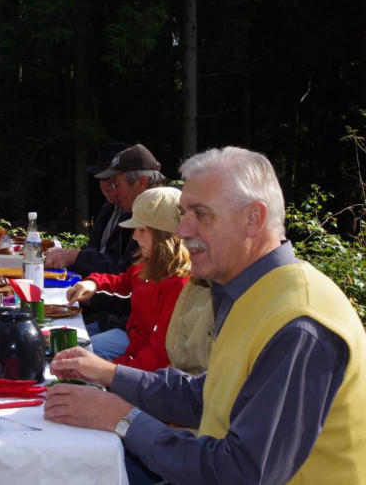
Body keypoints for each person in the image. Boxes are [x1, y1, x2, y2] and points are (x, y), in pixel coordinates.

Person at [45, 146, 366, 484]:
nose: (182, 230)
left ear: (253, 219)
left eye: (200, 214)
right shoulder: (250, 290)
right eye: (184, 214)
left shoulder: (298, 323)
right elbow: (208, 395)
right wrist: (110, 374)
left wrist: (122, 419)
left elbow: (241, 473)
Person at [46, 143, 166, 334]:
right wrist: (92, 282)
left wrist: (81, 263)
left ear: (142, 182)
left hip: (123, 326)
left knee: (61, 346)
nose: (108, 188)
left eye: (115, 182)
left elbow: (129, 283)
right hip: (117, 319)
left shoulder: (160, 216)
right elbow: (128, 278)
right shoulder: (116, 209)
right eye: (104, 180)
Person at [66, 187, 190, 368]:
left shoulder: (178, 285)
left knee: (79, 357)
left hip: (148, 366)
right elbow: (124, 281)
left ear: (164, 235)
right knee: (71, 352)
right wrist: (93, 283)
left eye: (141, 230)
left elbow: (159, 357)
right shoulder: (147, 264)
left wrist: (112, 371)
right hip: (134, 346)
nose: (134, 236)